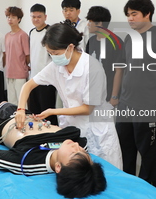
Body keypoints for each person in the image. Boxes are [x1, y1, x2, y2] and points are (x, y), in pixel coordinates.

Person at [0, 86, 107, 198]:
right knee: (0, 104)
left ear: (58, 167)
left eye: (74, 154)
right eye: (84, 153)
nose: (77, 147)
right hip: (23, 114)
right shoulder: (78, 144)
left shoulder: (30, 161)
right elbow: (79, 150)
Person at [14, 20, 122, 169]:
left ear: (70, 47)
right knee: (75, 172)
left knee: (104, 173)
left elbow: (87, 109)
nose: (53, 57)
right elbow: (28, 85)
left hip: (96, 130)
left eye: (55, 53)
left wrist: (53, 111)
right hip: (72, 128)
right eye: (50, 53)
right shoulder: (56, 66)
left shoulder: (92, 68)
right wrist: (20, 109)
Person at [115, 0, 156, 187]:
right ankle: (126, 186)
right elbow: (123, 68)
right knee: (125, 150)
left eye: (134, 14)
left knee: (150, 155)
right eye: (128, 15)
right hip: (126, 104)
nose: (130, 19)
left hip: (149, 106)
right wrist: (116, 96)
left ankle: (147, 192)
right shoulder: (130, 38)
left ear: (147, 14)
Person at [85, 6, 124, 106]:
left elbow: (119, 71)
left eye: (90, 21)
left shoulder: (116, 42)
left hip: (107, 95)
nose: (87, 24)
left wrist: (114, 96)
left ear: (100, 23)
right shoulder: (91, 41)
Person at [28, 4, 57, 125]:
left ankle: (51, 137)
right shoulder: (31, 32)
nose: (36, 19)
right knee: (33, 112)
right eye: (33, 17)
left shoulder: (50, 32)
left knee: (47, 112)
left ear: (45, 16)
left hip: (47, 80)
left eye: (39, 16)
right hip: (33, 78)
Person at [5, 6, 30, 105]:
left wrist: (22, 66)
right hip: (9, 72)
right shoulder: (7, 35)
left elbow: (27, 55)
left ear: (19, 19)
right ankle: (13, 120)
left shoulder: (22, 35)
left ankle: (24, 120)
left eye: (13, 17)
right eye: (8, 17)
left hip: (20, 73)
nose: (10, 19)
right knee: (11, 102)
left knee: (22, 102)